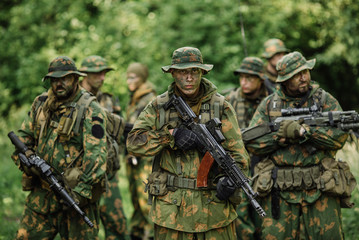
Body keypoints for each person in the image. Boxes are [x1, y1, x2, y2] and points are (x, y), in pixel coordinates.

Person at [127, 46, 250, 240]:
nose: (189, 78)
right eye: (183, 72)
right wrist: (170, 136)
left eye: (194, 71)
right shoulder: (159, 106)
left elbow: (238, 153)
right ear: (173, 73)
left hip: (214, 212)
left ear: (202, 72)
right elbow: (134, 143)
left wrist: (230, 181)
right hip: (172, 213)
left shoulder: (221, 106)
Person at [246, 51, 352, 239]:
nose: (303, 78)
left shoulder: (324, 100)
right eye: (296, 75)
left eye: (305, 72)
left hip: (321, 185)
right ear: (284, 80)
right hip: (280, 188)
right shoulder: (270, 105)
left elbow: (339, 138)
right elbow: (252, 143)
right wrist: (281, 137)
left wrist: (306, 133)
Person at [11, 56, 107, 239]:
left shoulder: (90, 108)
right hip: (42, 197)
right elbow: (23, 138)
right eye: (54, 79)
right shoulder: (41, 103)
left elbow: (97, 155)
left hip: (76, 200)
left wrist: (80, 193)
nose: (59, 84)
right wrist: (27, 162)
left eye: (65, 78)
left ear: (76, 78)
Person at [79, 55, 130, 240]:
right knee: (81, 227)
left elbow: (121, 131)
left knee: (117, 223)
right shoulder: (74, 99)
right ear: (84, 74)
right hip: (81, 172)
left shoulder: (108, 100)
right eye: (97, 73)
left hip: (108, 171)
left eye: (104, 73)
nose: (102, 77)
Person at [225, 57, 268, 239]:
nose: (244, 82)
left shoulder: (270, 101)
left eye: (249, 78)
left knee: (264, 215)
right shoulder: (230, 101)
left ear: (260, 79)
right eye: (241, 78)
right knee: (240, 215)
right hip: (238, 165)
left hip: (264, 166)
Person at [125, 62, 157, 240]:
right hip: (133, 157)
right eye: (128, 76)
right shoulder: (135, 97)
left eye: (134, 77)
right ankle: (137, 232)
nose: (129, 80)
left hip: (145, 158)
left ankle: (152, 234)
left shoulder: (148, 99)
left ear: (142, 78)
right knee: (135, 200)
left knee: (146, 200)